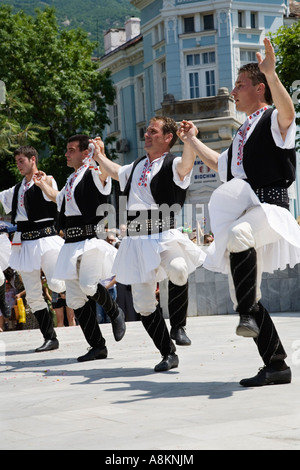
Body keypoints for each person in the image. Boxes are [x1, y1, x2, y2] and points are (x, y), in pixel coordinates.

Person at [178, 38, 300, 386]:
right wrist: (192, 141)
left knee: (239, 236)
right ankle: (276, 364)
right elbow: (221, 164)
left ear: (259, 88)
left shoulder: (274, 118)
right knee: (242, 291)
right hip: (245, 211)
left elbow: (289, 114)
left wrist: (272, 74)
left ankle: (247, 314)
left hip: (269, 208)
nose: (233, 91)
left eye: (239, 85)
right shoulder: (242, 132)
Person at [91, 116, 206, 371]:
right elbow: (113, 170)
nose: (146, 134)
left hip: (164, 233)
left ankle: (178, 326)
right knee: (143, 304)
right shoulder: (135, 166)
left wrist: (189, 140)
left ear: (167, 138)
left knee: (178, 269)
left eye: (153, 131)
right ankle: (168, 353)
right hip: (137, 238)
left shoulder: (174, 163)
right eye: (146, 131)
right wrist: (99, 154)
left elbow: (188, 165)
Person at [34, 134, 126, 362]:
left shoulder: (94, 173)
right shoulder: (71, 179)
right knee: (74, 299)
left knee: (88, 285)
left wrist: (100, 154)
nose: (66, 153)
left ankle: (115, 311)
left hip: (91, 242)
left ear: (86, 153)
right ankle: (97, 347)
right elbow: (59, 198)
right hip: (71, 244)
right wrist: (44, 185)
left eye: (71, 149)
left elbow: (107, 175)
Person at [0, 146, 65, 351]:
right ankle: (50, 338)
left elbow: (55, 195)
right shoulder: (16, 189)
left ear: (33, 159)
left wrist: (42, 182)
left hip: (46, 239)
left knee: (57, 283)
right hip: (24, 243)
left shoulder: (47, 179)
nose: (18, 165)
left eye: (21, 161)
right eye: (17, 161)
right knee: (34, 295)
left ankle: (101, 301)